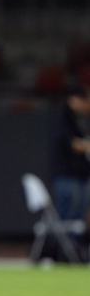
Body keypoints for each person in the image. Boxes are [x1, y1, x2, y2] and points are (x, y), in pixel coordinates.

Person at [51, 74, 90, 224]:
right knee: (69, 217)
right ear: (75, 100)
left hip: (81, 176)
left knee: (79, 218)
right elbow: (71, 143)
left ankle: (73, 246)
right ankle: (63, 247)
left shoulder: (82, 120)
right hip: (68, 177)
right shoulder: (63, 116)